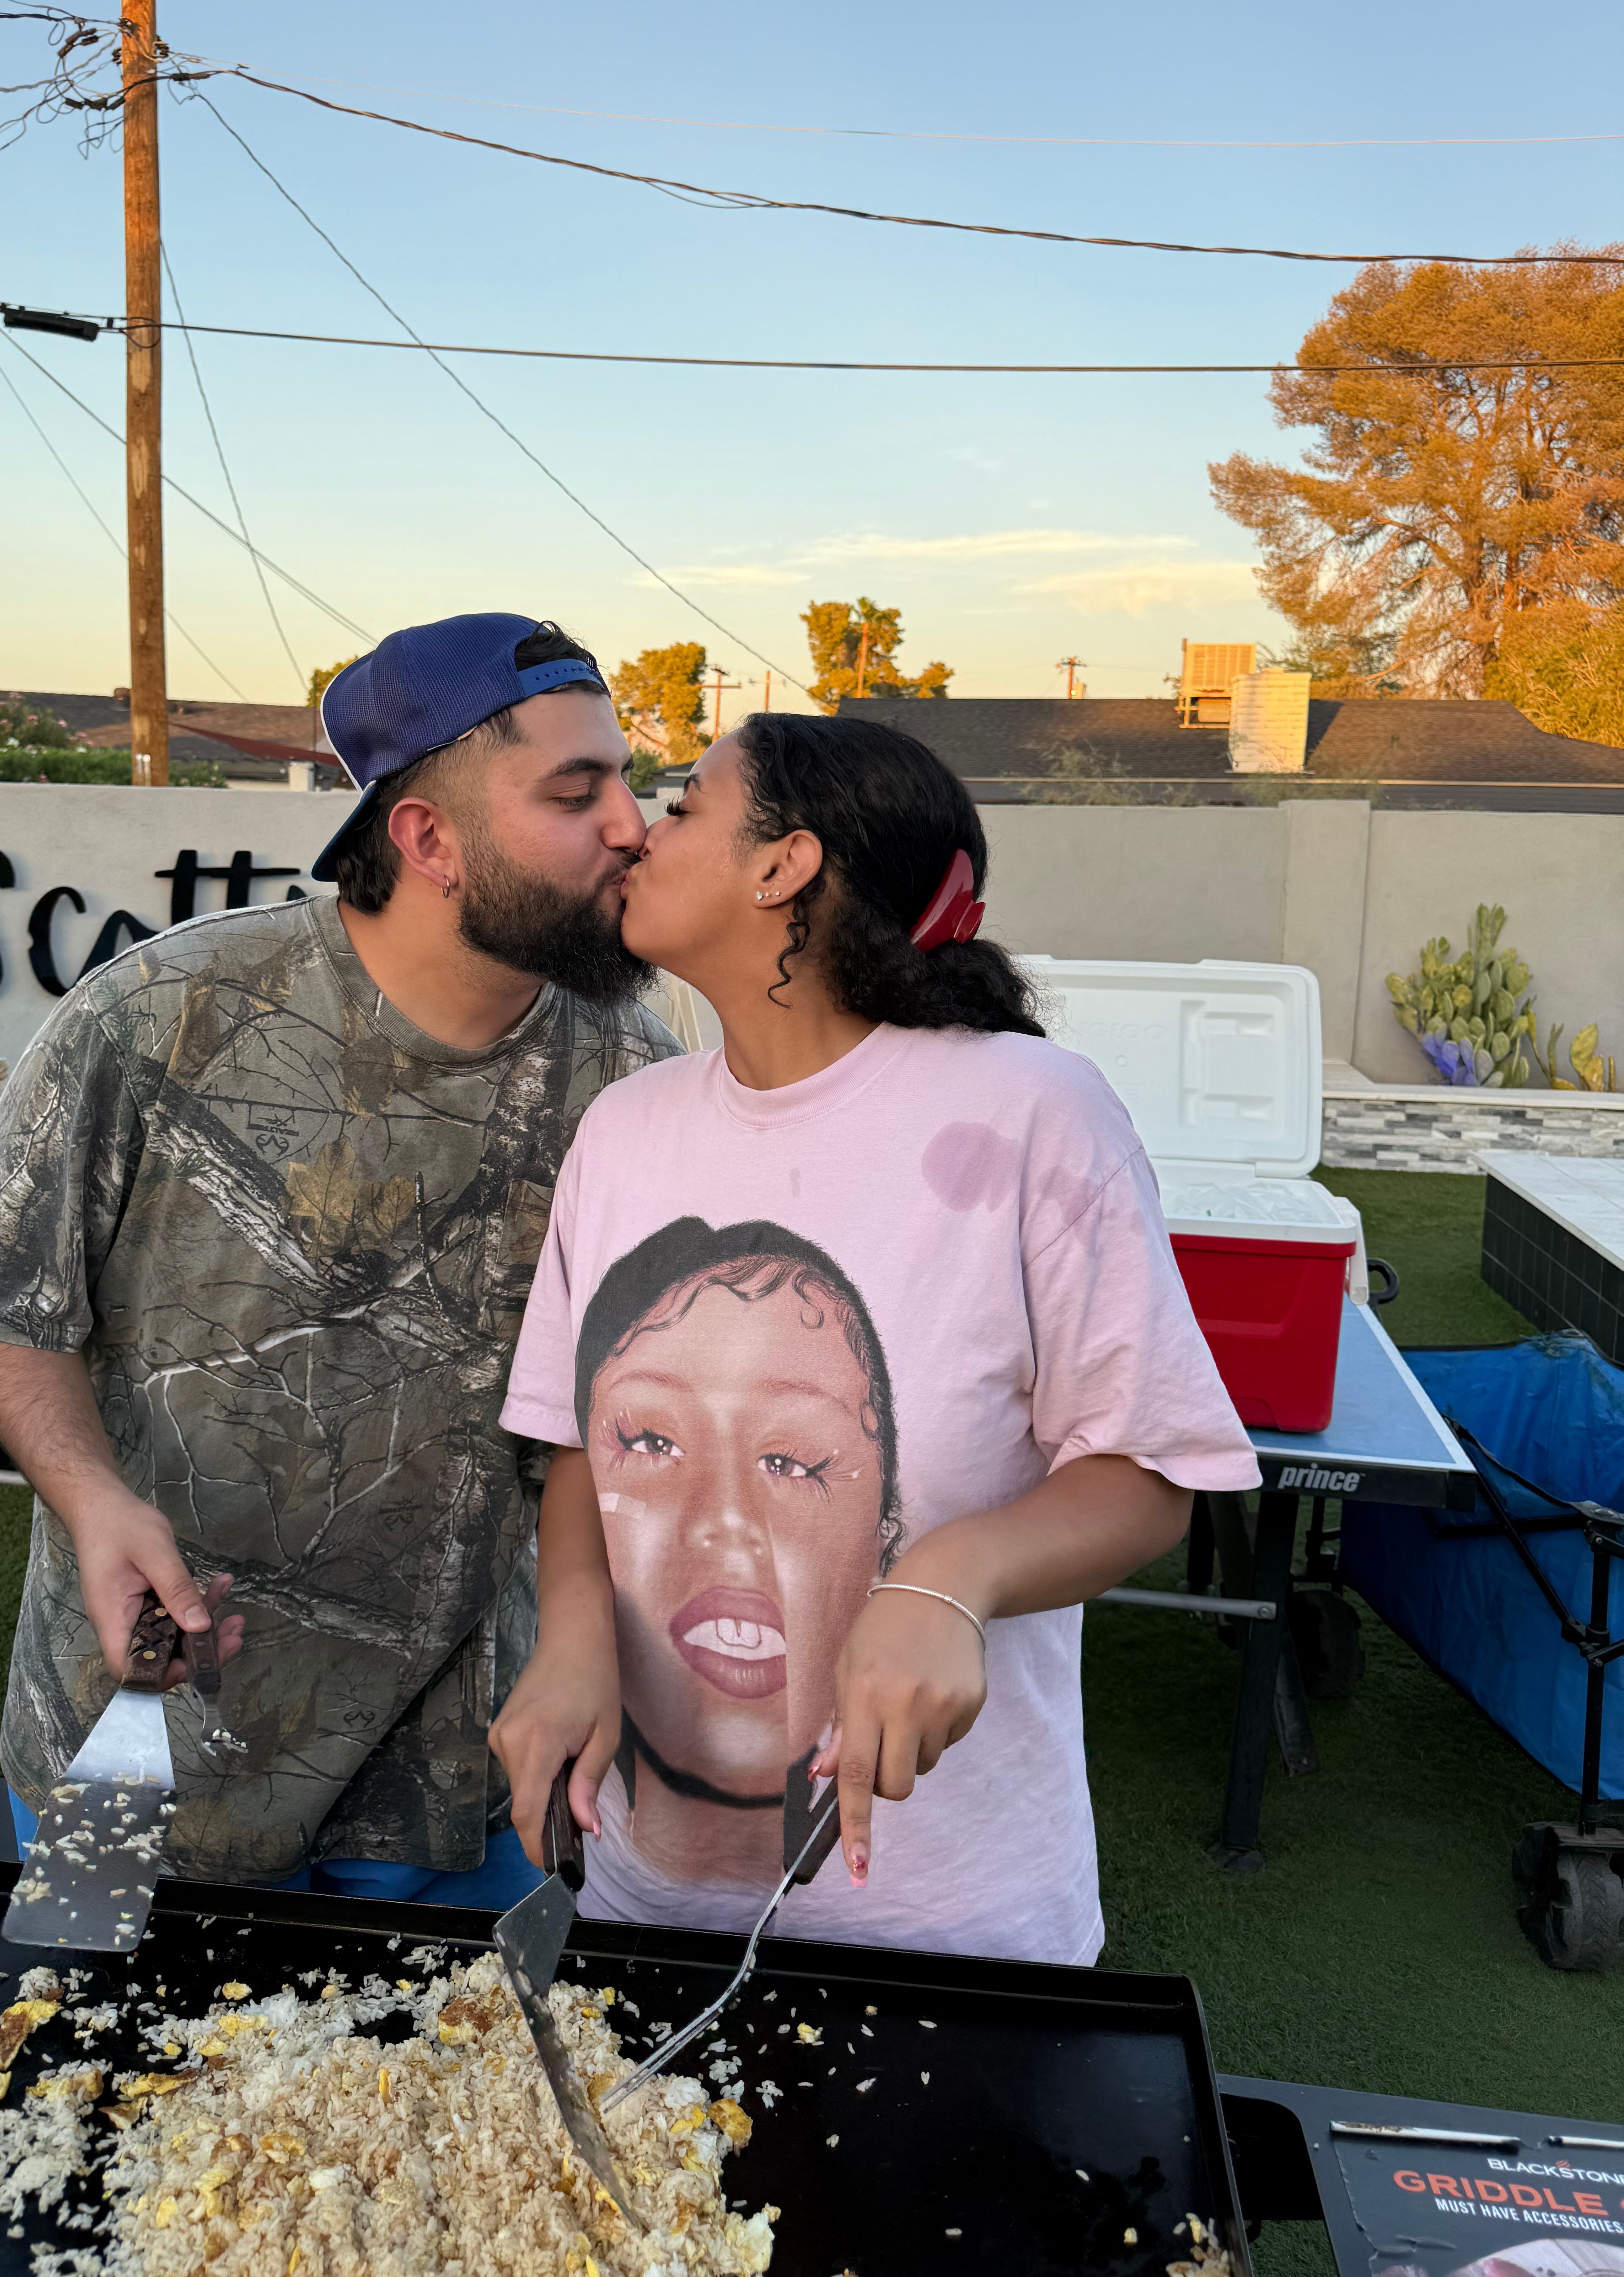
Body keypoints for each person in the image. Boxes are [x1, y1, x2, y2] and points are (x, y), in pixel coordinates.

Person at [0, 612, 680, 1904]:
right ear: (428, 838)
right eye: (578, 791)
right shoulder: (161, 1020)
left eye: (630, 783)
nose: (631, 825)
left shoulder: (633, 1082)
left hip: (466, 1774)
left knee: (423, 2100)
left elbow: (618, 1416)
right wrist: (93, 1500)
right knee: (97, 2088)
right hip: (146, 1733)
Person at [490, 711, 1259, 1963]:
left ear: (781, 867)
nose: (635, 832)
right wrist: (573, 1627)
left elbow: (1150, 1473)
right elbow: (578, 1444)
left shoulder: (1031, 1111)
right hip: (642, 1902)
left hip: (950, 1919)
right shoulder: (626, 1127)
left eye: (683, 808)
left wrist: (948, 1577)